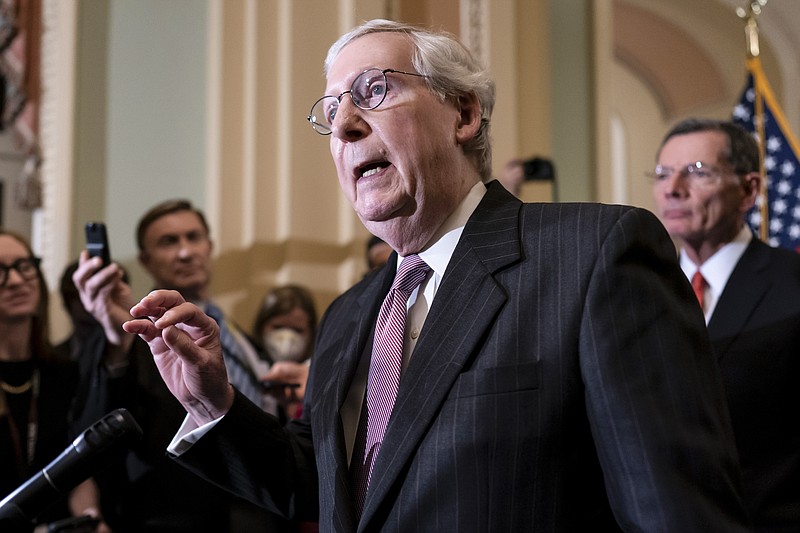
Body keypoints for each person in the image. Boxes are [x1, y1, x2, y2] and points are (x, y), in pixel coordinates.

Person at [121, 20, 749, 531]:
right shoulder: (348, 315)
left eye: (373, 91)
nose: (343, 125)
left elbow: (674, 509)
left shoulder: (593, 255)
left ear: (464, 113)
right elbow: (323, 488)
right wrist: (213, 404)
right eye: (332, 111)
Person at [72, 201, 298, 531]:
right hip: (178, 516)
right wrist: (116, 336)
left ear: (210, 246)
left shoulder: (232, 329)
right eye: (169, 242)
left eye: (194, 238)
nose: (185, 252)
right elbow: (96, 424)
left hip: (261, 509)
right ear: (145, 260)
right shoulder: (133, 332)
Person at [650, 118, 800, 531]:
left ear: (750, 190)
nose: (673, 188)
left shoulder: (792, 283)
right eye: (663, 174)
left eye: (698, 172)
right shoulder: (637, 289)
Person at [0, 230, 108, 532]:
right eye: (1, 271)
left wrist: (91, 518)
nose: (17, 281)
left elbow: (78, 468)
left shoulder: (64, 373)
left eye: (24, 266)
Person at [252, 284, 318, 420]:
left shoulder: (317, 374)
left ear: (312, 333)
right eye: (278, 327)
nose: (287, 340)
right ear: (261, 327)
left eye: (297, 330)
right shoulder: (248, 363)